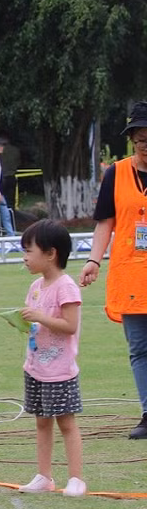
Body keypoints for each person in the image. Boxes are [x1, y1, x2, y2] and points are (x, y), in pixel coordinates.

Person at [80, 100, 147, 438]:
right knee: (139, 348)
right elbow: (106, 223)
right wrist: (94, 260)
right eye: (141, 140)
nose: (146, 146)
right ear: (132, 140)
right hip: (130, 275)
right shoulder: (116, 173)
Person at [16, 220, 85, 496]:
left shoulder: (66, 287)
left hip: (60, 369)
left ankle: (76, 478)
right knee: (41, 421)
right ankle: (44, 476)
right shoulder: (36, 286)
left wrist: (42, 317)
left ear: (51, 254)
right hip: (36, 367)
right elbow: (38, 324)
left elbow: (69, 326)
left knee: (66, 423)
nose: (25, 257)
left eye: (29, 251)